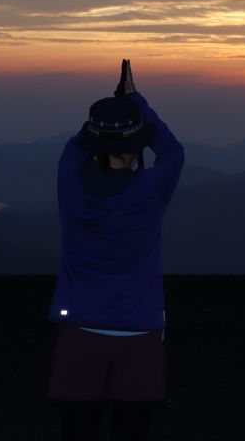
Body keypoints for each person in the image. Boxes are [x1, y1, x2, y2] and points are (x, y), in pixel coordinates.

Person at [46, 59, 185, 440]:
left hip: (79, 332)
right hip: (139, 333)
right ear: (135, 143)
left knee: (78, 430)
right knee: (133, 430)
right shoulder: (151, 191)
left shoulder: (70, 186)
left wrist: (101, 122)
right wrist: (135, 102)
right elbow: (172, 152)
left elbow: (76, 148)